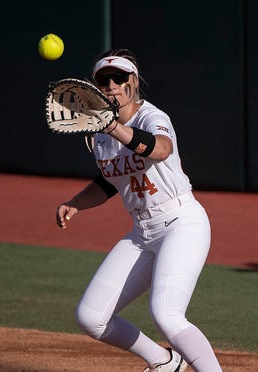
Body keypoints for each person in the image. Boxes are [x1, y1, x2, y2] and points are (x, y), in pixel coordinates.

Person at [55, 48, 223, 372]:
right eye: (104, 80)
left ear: (133, 81)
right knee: (90, 316)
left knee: (167, 314)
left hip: (181, 223)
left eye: (119, 78)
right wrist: (75, 203)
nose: (112, 85)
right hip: (142, 234)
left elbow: (161, 149)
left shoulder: (152, 117)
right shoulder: (100, 136)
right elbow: (108, 182)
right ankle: (164, 362)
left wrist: (115, 127)